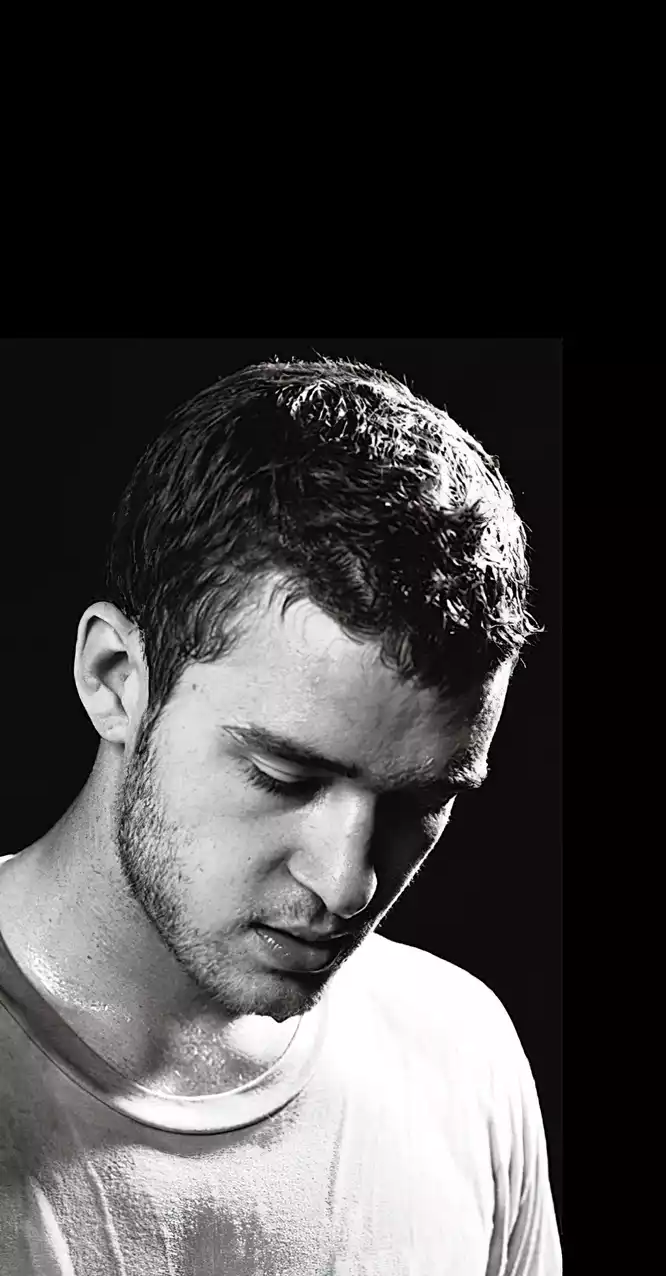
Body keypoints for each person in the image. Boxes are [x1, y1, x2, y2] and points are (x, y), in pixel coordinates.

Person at [0, 358, 560, 1274]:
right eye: (283, 776)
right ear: (115, 679)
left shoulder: (463, 1057)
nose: (348, 884)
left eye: (423, 800)